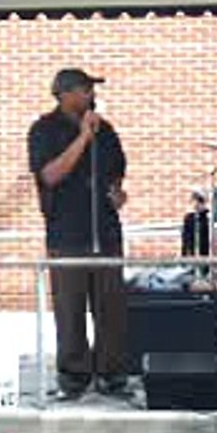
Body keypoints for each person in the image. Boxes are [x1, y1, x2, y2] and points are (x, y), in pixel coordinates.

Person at [27, 68, 130, 400]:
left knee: (111, 308)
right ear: (65, 93)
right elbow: (51, 175)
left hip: (105, 231)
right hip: (67, 233)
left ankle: (112, 374)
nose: (91, 95)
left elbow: (116, 176)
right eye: (85, 89)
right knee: (70, 309)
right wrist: (83, 137)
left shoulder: (107, 130)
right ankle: (74, 377)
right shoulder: (44, 130)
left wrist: (117, 193)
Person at [181, 190, 210, 258]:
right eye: (194, 201)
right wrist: (184, 254)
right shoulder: (189, 218)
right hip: (192, 253)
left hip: (204, 254)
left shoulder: (207, 218)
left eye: (199, 202)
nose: (196, 205)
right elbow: (185, 238)